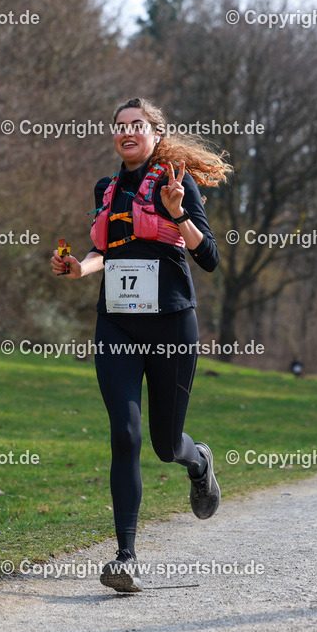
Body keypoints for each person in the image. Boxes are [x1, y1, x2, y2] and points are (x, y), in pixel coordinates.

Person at [51, 97, 232, 592]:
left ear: (156, 134)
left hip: (172, 325)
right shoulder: (105, 188)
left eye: (137, 125)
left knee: (162, 444)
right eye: (119, 126)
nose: (126, 132)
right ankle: (125, 556)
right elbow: (103, 252)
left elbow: (211, 259)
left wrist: (178, 216)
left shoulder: (177, 183)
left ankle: (198, 461)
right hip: (118, 325)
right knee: (124, 434)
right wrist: (78, 268)